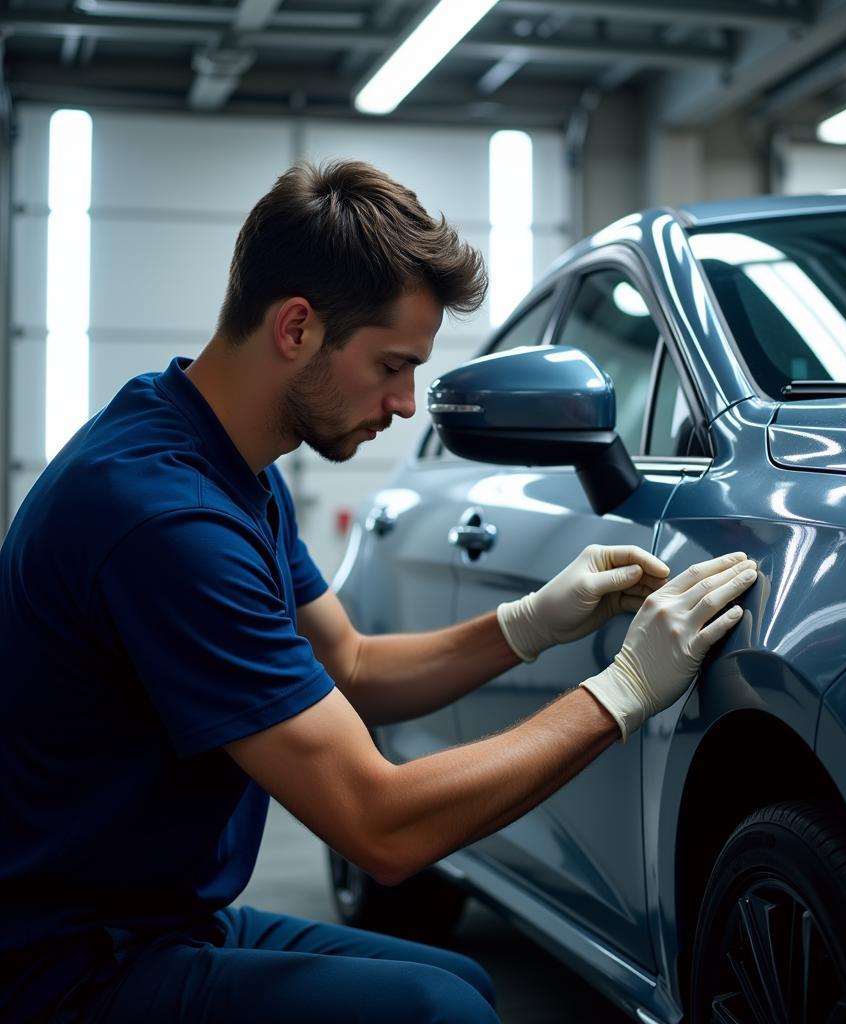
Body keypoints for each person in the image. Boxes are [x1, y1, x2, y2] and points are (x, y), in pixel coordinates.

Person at [0, 160, 757, 1024]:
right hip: (62, 966)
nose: (405, 404)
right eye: (392, 365)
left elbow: (349, 664)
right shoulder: (167, 522)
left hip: (155, 918)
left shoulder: (213, 449)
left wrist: (529, 624)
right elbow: (381, 828)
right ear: (296, 327)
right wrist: (620, 693)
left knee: (463, 982)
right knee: (442, 1014)